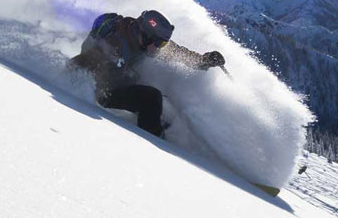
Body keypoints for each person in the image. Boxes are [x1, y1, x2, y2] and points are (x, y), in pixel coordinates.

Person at [68, 10, 225, 137]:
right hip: (103, 91)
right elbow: (82, 62)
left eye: (162, 43)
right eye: (159, 43)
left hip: (120, 80)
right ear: (144, 35)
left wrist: (204, 60)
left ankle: (156, 124)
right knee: (151, 97)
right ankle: (152, 142)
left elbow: (176, 53)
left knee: (159, 101)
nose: (159, 48)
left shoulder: (145, 42)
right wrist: (66, 82)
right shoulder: (114, 44)